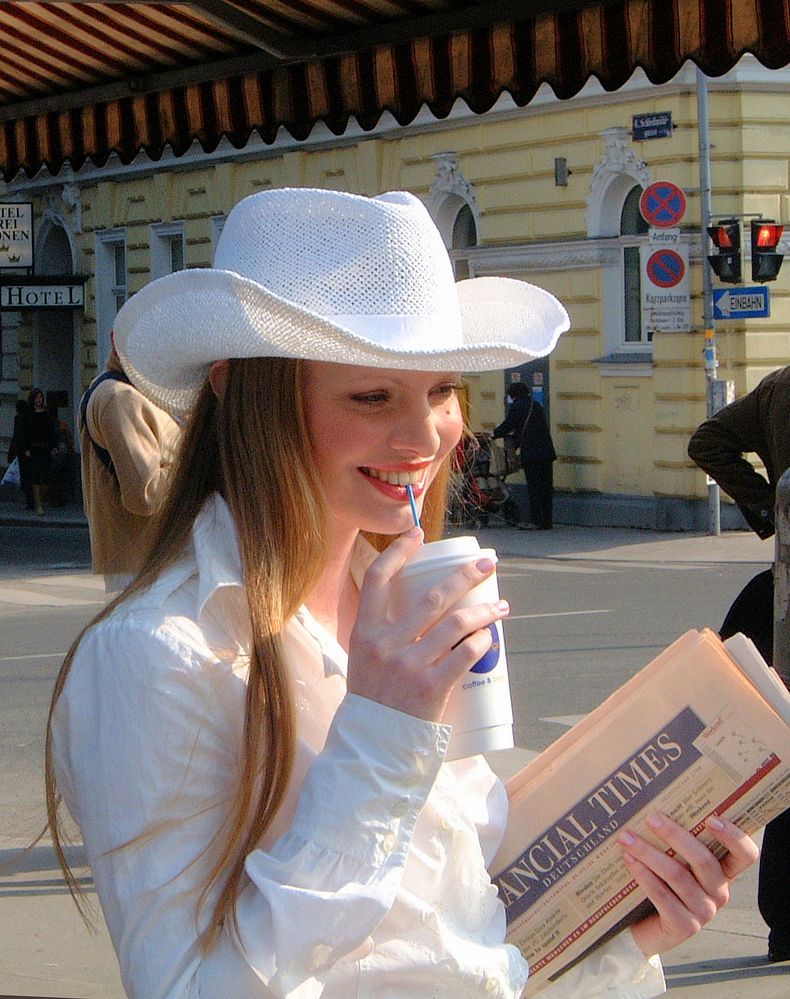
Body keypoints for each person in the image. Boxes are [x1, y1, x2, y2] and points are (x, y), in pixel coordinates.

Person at [46, 189, 757, 999]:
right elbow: (188, 987)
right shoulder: (161, 650)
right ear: (246, 394)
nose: (426, 439)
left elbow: (460, 948)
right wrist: (382, 732)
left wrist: (621, 933)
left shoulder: (391, 602)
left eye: (442, 390)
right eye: (372, 396)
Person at [688, 364, 790, 963]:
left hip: (783, 586)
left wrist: (770, 507)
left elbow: (707, 442)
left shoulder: (780, 387)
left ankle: (784, 924)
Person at [79, 343, 181, 591]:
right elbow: (145, 494)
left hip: (146, 561)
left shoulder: (125, 392)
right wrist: (199, 462)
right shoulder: (120, 397)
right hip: (145, 564)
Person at [492, 381, 557, 529]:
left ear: (513, 395)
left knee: (534, 488)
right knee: (546, 488)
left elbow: (508, 425)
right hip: (547, 453)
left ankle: (535, 520)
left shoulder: (517, 406)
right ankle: (547, 521)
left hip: (532, 455)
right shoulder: (536, 406)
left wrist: (494, 434)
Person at [23, 387, 58, 515]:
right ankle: (38, 505)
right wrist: (26, 448)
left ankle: (39, 500)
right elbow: (25, 433)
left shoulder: (47, 413)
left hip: (45, 449)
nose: (39, 399)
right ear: (33, 399)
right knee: (36, 477)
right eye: (37, 397)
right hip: (34, 449)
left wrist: (54, 446)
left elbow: (52, 432)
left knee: (46, 479)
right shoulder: (29, 414)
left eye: (41, 397)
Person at [7, 398, 34, 510]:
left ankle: (30, 501)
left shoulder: (19, 419)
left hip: (22, 452)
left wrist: (11, 453)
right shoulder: (30, 418)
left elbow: (17, 436)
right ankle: (32, 500)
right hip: (31, 451)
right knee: (30, 477)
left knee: (25, 478)